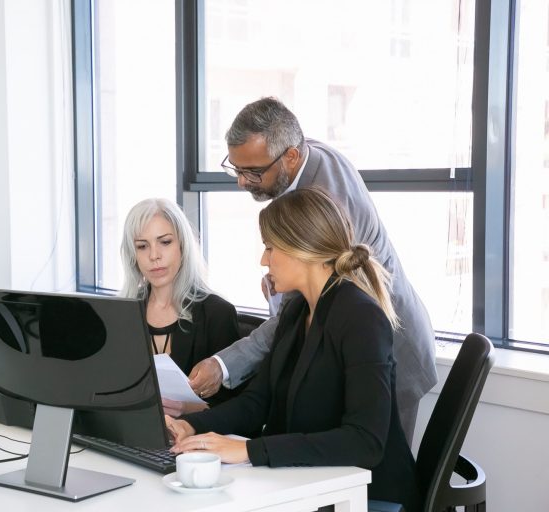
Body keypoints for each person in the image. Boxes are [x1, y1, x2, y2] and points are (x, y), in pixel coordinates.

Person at [188, 97, 436, 443]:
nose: (241, 182)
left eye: (253, 172)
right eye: (236, 167)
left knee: (374, 472)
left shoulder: (327, 201)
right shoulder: (301, 157)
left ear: (290, 157)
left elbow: (361, 447)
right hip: (350, 341)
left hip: (390, 345)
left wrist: (224, 365)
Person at [168, 188, 421, 512]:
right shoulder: (297, 311)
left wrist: (248, 451)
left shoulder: (361, 318)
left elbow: (364, 441)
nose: (263, 260)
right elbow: (258, 401)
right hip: (309, 485)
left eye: (270, 248)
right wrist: (194, 428)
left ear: (303, 249)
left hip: (366, 496)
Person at [120, 198, 241, 415]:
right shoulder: (122, 312)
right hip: (131, 434)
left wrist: (186, 409)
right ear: (133, 255)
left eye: (165, 242)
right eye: (142, 246)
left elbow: (236, 406)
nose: (154, 255)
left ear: (183, 246)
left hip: (196, 441)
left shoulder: (217, 314)